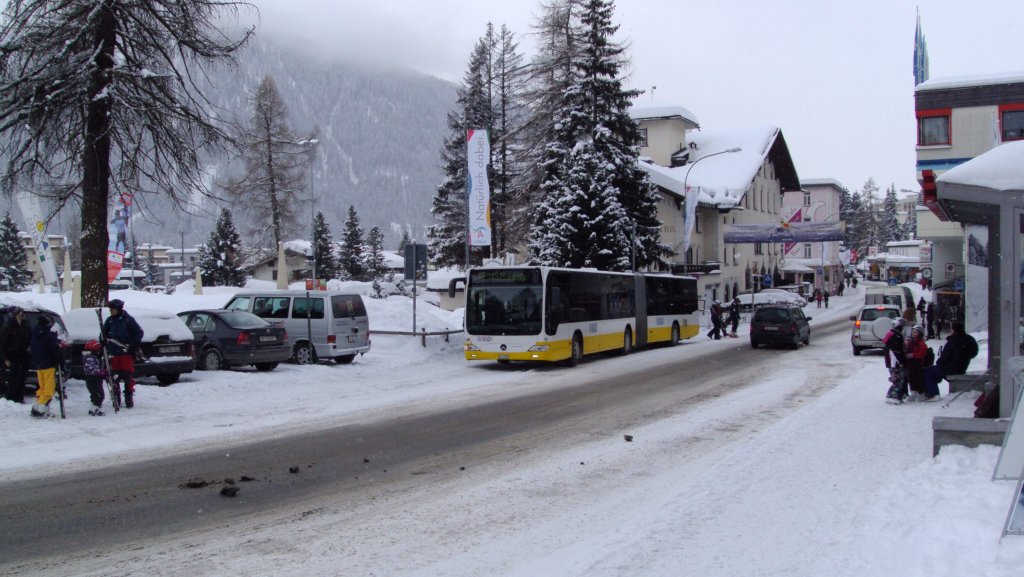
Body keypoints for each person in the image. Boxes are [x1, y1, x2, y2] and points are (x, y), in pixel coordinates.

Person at [102, 299, 143, 408]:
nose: (111, 311)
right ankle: (116, 397)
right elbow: (103, 334)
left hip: (126, 352)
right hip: (114, 353)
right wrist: (103, 341)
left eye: (113, 309)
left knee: (128, 375)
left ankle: (129, 396)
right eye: (110, 309)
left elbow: (139, 332)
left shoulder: (128, 320)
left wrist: (134, 345)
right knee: (114, 375)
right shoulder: (109, 321)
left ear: (119, 309)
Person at [924, 322, 979, 400]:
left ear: (953, 329)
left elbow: (945, 356)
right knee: (935, 372)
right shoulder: (969, 339)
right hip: (962, 367)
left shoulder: (953, 340)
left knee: (928, 371)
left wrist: (939, 363)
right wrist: (966, 358)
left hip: (949, 368)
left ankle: (933, 394)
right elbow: (975, 352)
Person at [29, 315, 63, 418]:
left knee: (42, 387)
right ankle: (41, 409)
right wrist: (60, 360)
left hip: (38, 364)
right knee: (48, 388)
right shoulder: (47, 335)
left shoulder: (35, 334)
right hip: (48, 364)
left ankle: (36, 407)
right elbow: (54, 350)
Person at [0, 306, 31, 403]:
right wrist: (5, 358)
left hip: (23, 354)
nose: (22, 315)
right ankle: (11, 398)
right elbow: (2, 343)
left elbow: (29, 338)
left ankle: (19, 397)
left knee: (22, 377)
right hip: (12, 355)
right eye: (20, 313)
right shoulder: (9, 326)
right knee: (14, 377)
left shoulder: (25, 325)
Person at [883, 318, 907, 403]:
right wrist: (901, 362)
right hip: (895, 362)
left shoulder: (891, 335)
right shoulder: (896, 336)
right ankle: (894, 396)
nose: (903, 328)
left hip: (891, 362)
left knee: (895, 378)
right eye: (902, 326)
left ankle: (890, 396)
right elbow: (897, 351)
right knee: (899, 379)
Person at [904, 325, 929, 402]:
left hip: (918, 364)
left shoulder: (921, 343)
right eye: (913, 332)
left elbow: (922, 353)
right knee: (911, 378)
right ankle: (913, 393)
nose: (913, 333)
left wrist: (913, 355)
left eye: (915, 332)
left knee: (919, 378)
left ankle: (921, 393)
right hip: (910, 363)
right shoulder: (910, 342)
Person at [82, 340, 107, 416]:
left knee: (96, 393)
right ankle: (96, 407)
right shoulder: (90, 358)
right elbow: (92, 369)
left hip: (94, 378)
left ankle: (95, 406)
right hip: (93, 378)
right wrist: (101, 372)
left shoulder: (91, 357)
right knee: (97, 393)